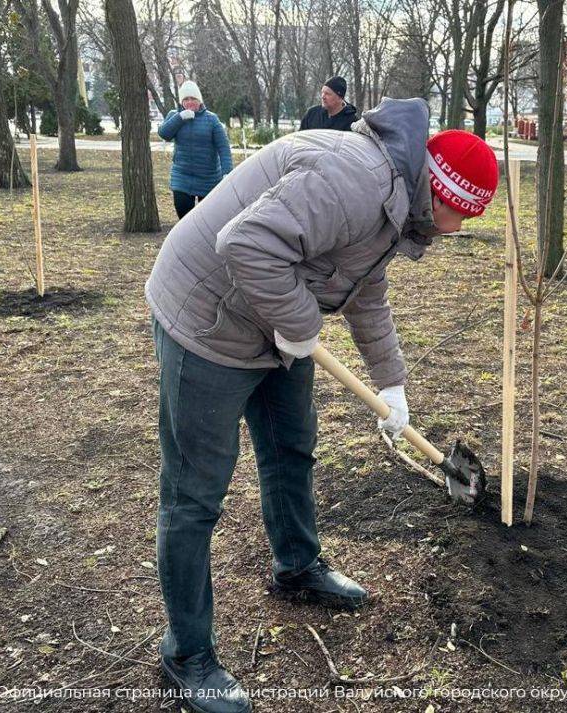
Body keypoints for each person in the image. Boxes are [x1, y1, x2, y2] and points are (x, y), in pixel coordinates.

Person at [145, 98, 498, 713]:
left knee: (290, 448)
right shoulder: (353, 182)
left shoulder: (395, 205)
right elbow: (246, 241)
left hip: (270, 316)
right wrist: (302, 324)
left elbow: (366, 290)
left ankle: (297, 566)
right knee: (194, 495)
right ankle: (187, 655)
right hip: (206, 319)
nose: (457, 230)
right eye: (459, 216)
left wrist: (391, 383)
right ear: (438, 193)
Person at [157, 80, 233, 219]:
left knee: (206, 220)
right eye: (186, 99)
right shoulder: (174, 116)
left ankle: (206, 241)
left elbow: (223, 148)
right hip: (182, 176)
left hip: (208, 178)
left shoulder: (212, 119)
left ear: (199, 100)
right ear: (181, 101)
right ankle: (187, 241)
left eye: (193, 98)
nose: (189, 102)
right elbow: (164, 134)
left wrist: (227, 172)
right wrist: (180, 118)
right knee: (184, 217)